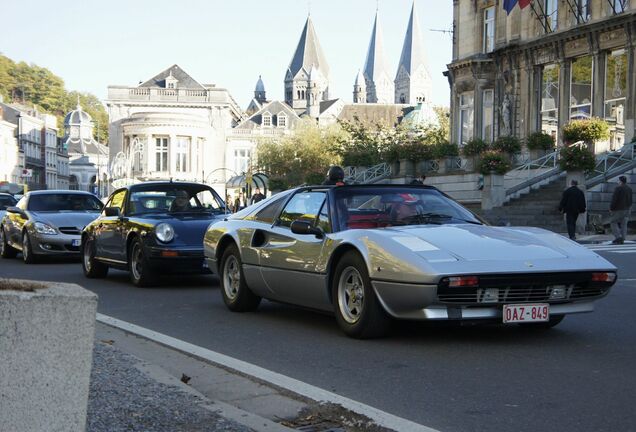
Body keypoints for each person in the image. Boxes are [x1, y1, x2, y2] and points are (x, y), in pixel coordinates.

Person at [609, 175, 632, 244]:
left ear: (620, 181)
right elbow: (631, 200)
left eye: (618, 180)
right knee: (624, 224)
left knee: (613, 222)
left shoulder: (618, 188)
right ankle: (623, 237)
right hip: (627, 208)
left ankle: (618, 237)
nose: (617, 181)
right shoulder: (629, 189)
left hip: (618, 209)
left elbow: (614, 200)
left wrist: (611, 208)